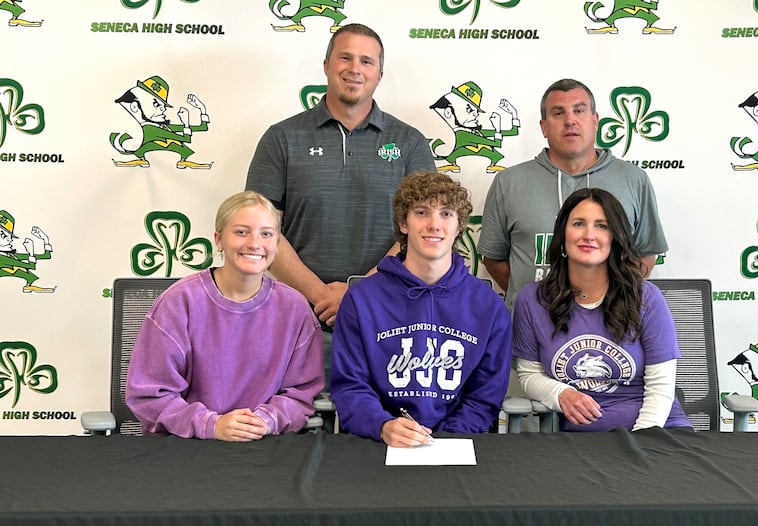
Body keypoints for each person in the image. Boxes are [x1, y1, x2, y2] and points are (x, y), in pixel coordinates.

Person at [245, 23, 435, 377]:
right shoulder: (281, 138)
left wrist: (358, 294)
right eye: (345, 57)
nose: (354, 68)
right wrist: (321, 296)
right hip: (298, 320)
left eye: (366, 61)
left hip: (389, 319)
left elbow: (424, 234)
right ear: (326, 64)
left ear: (379, 73)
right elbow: (260, 231)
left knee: (382, 429)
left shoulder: (410, 143)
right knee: (295, 428)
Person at [330, 172, 512, 446]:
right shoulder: (361, 299)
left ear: (460, 225)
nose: (434, 224)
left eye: (446, 214)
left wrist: (447, 439)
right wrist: (383, 426)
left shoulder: (489, 306)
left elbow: (486, 394)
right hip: (377, 443)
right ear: (404, 223)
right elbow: (349, 386)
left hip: (456, 444)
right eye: (422, 212)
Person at [126, 191, 324, 441]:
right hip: (188, 446)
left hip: (266, 446)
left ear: (276, 244)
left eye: (266, 234)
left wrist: (266, 421)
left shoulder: (295, 308)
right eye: (242, 232)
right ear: (218, 239)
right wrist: (212, 425)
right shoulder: (179, 302)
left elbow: (301, 393)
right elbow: (150, 395)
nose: (255, 243)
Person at [478, 78, 668, 312]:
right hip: (530, 335)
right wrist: (540, 303)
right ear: (544, 127)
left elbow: (646, 252)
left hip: (611, 328)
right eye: (558, 113)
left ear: (595, 121)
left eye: (579, 110)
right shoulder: (508, 182)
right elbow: (494, 259)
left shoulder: (633, 179)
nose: (570, 120)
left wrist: (615, 297)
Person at [512, 187, 691, 432]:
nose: (589, 235)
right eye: (578, 224)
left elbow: (661, 387)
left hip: (656, 430)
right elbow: (529, 374)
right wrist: (562, 394)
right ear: (563, 235)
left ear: (615, 237)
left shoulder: (646, 298)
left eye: (602, 226)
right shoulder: (532, 300)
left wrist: (644, 440)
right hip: (581, 443)